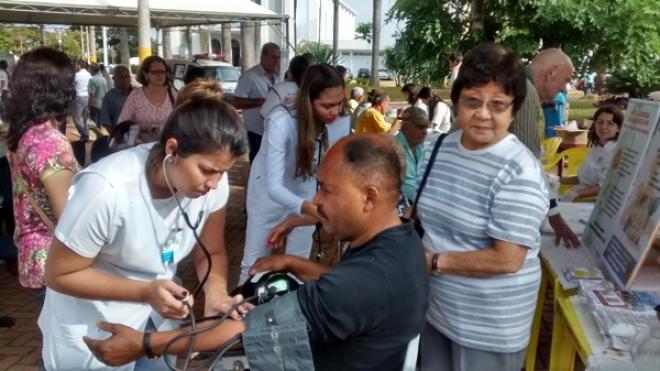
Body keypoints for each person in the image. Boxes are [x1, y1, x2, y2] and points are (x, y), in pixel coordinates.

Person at [83, 134, 429, 371]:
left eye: (325, 189)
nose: (317, 200)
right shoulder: (403, 241)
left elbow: (242, 331)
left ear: (369, 197)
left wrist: (146, 344)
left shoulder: (358, 285)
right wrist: (293, 261)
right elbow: (350, 288)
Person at [40, 80, 249, 370]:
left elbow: (211, 251)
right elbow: (58, 274)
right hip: (95, 326)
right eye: (207, 171)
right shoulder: (106, 189)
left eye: (223, 173)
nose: (214, 184)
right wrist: (144, 291)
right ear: (172, 149)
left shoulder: (213, 183)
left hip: (154, 324)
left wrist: (216, 294)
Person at [419, 43, 549, 371]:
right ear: (456, 102)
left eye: (498, 104)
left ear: (514, 109)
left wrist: (433, 262)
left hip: (489, 325)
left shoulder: (519, 169)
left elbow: (507, 259)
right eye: (472, 101)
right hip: (436, 310)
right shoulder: (439, 148)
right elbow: (417, 214)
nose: (483, 114)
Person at [239, 63, 349, 283]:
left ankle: (294, 310)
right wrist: (309, 210)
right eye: (326, 105)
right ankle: (240, 310)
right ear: (307, 99)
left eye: (339, 103)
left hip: (305, 190)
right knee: (254, 263)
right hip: (267, 196)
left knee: (299, 262)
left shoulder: (339, 119)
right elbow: (274, 187)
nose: (334, 112)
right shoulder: (281, 121)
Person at [2, 48, 81, 312]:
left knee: (53, 343)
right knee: (67, 348)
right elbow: (68, 214)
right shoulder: (49, 141)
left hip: (34, 256)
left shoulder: (21, 133)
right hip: (57, 261)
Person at [513, 47, 580, 248]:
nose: (566, 89)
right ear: (551, 73)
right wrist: (553, 212)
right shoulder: (525, 90)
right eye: (566, 80)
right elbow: (528, 159)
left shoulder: (517, 83)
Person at [560, 105, 623, 202]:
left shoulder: (616, 153)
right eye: (600, 122)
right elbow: (583, 178)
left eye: (610, 123)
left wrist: (575, 194)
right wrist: (558, 180)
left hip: (590, 202)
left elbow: (603, 186)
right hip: (576, 195)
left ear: (618, 128)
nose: (603, 127)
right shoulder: (596, 147)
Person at [232, 42, 282, 163]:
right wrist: (262, 102)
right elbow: (236, 102)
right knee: (257, 164)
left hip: (275, 130)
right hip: (257, 132)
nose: (276, 61)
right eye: (273, 57)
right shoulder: (250, 76)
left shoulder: (280, 76)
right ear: (262, 57)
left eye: (278, 57)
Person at [117, 56, 177, 144]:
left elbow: (181, 121)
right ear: (145, 74)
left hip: (166, 148)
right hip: (139, 149)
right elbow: (121, 124)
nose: (160, 75)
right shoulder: (136, 96)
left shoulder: (173, 94)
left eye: (163, 72)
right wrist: (140, 131)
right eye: (155, 72)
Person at [395, 107, 429, 202]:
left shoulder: (424, 147)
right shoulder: (392, 148)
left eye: (427, 127)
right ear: (406, 126)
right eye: (420, 127)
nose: (425, 131)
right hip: (403, 204)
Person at [99, 65, 132, 131]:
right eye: (120, 77)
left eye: (126, 76)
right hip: (121, 137)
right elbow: (107, 122)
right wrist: (116, 137)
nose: (124, 79)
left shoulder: (138, 94)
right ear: (114, 78)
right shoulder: (109, 97)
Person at [67, 59, 92, 141]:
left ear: (79, 65)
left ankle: (84, 134)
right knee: (85, 118)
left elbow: (71, 85)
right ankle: (87, 134)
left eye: (76, 65)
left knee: (76, 118)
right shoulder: (90, 75)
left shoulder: (77, 75)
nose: (75, 66)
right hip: (88, 97)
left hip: (78, 98)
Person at [87, 64, 109, 129]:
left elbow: (91, 95)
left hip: (95, 105)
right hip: (102, 105)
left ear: (92, 70)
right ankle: (99, 136)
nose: (89, 71)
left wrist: (89, 107)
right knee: (99, 125)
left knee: (93, 125)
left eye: (89, 69)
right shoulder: (103, 79)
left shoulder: (92, 80)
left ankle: (97, 137)